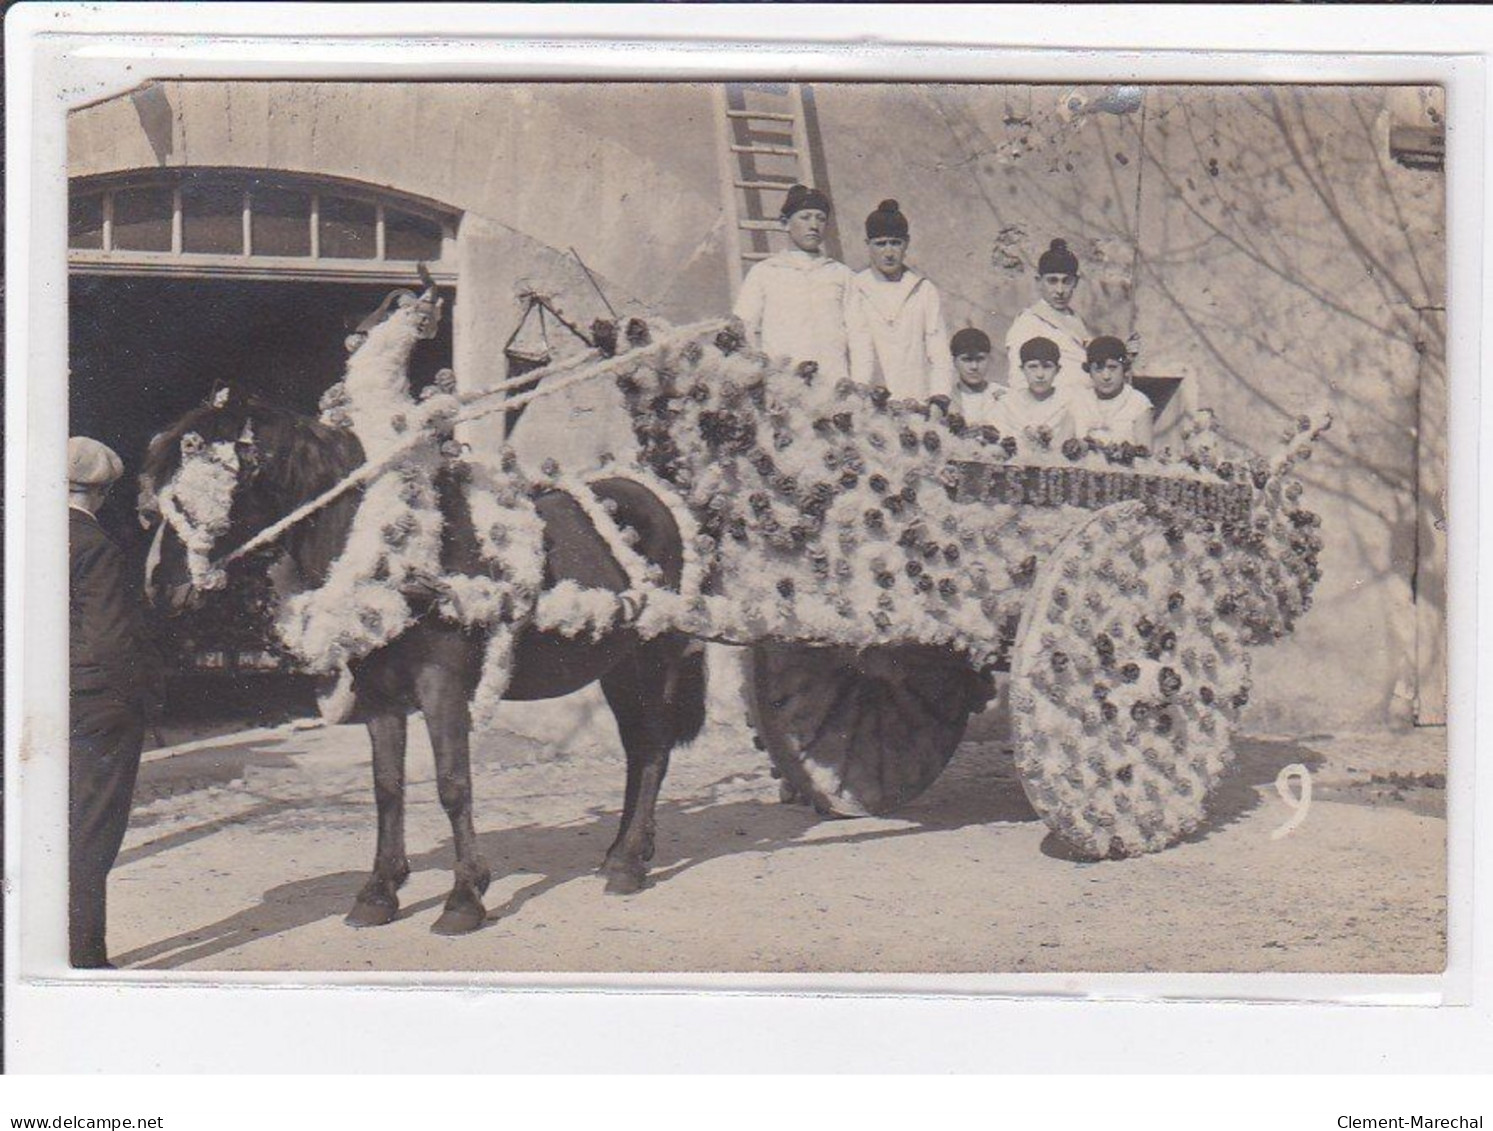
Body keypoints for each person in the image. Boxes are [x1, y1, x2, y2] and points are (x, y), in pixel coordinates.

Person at [69, 436, 163, 968]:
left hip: (44, 701)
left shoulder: (29, 536)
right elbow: (109, 641)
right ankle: (83, 957)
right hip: (95, 704)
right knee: (91, 830)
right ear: (103, 492)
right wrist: (138, 697)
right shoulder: (96, 545)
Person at [732, 183, 854, 393]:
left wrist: (857, 382)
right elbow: (742, 327)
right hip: (784, 388)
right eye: (805, 217)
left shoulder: (842, 274)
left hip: (833, 386)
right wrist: (757, 373)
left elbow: (859, 334)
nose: (814, 225)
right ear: (784, 223)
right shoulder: (765, 272)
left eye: (820, 218)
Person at [846, 200, 954, 407]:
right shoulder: (855, 288)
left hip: (916, 399)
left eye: (895, 243)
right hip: (870, 405)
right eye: (881, 243)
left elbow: (939, 352)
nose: (888, 252)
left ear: (906, 243)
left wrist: (939, 398)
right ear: (867, 244)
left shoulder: (923, 289)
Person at [1004, 238, 1092, 393]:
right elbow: (1019, 380)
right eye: (1052, 281)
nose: (1060, 290)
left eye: (1066, 281)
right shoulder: (1028, 321)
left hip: (1085, 403)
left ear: (1076, 282)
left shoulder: (1075, 319)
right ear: (1039, 281)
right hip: (1052, 405)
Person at [990, 336, 1077, 453]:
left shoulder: (1069, 403)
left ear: (1058, 369)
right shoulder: (1008, 404)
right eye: (1032, 367)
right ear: (1022, 369)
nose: (1040, 374)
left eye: (1047, 366)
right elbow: (996, 441)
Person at [1069, 335, 1155, 449]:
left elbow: (1146, 456)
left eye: (1112, 367)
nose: (1106, 376)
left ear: (1124, 369)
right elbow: (1058, 450)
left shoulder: (1138, 403)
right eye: (1098, 369)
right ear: (1089, 371)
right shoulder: (1078, 401)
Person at [947, 327, 1002, 428]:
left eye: (980, 359)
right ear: (954, 362)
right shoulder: (947, 399)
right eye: (967, 360)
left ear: (989, 359)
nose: (974, 367)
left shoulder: (1002, 395)